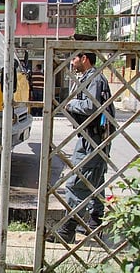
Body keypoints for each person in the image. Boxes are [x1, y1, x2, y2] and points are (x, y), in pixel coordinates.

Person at [49, 52, 115, 243]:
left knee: (77, 182)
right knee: (95, 181)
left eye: (74, 59)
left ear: (84, 58)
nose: (72, 63)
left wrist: (70, 103)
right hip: (94, 137)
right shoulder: (93, 77)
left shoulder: (94, 78)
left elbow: (91, 107)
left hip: (92, 139)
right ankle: (95, 223)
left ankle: (67, 230)